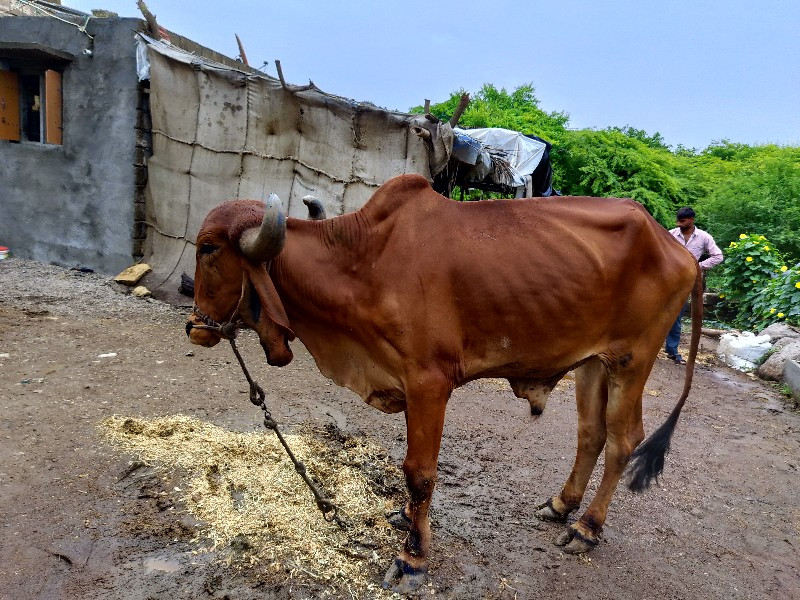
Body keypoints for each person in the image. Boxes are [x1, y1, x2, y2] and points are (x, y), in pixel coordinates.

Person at [664, 206, 723, 364]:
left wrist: (698, 266)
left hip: (685, 281)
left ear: (691, 220)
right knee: (657, 311)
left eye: (682, 221)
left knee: (676, 314)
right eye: (678, 221)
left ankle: (671, 350)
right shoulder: (671, 234)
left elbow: (718, 256)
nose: (679, 224)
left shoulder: (703, 237)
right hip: (667, 277)